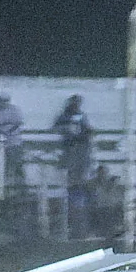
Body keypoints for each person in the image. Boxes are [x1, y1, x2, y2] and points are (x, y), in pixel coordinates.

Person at [54, 94, 95, 235]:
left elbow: (87, 130)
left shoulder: (81, 115)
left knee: (79, 180)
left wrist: (85, 133)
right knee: (72, 181)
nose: (76, 105)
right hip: (70, 149)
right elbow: (57, 127)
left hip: (80, 151)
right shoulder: (64, 116)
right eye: (75, 102)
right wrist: (67, 130)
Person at [88, 164, 124, 238]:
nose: (102, 175)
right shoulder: (94, 184)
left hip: (111, 209)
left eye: (103, 173)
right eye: (100, 173)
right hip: (101, 210)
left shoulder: (113, 185)